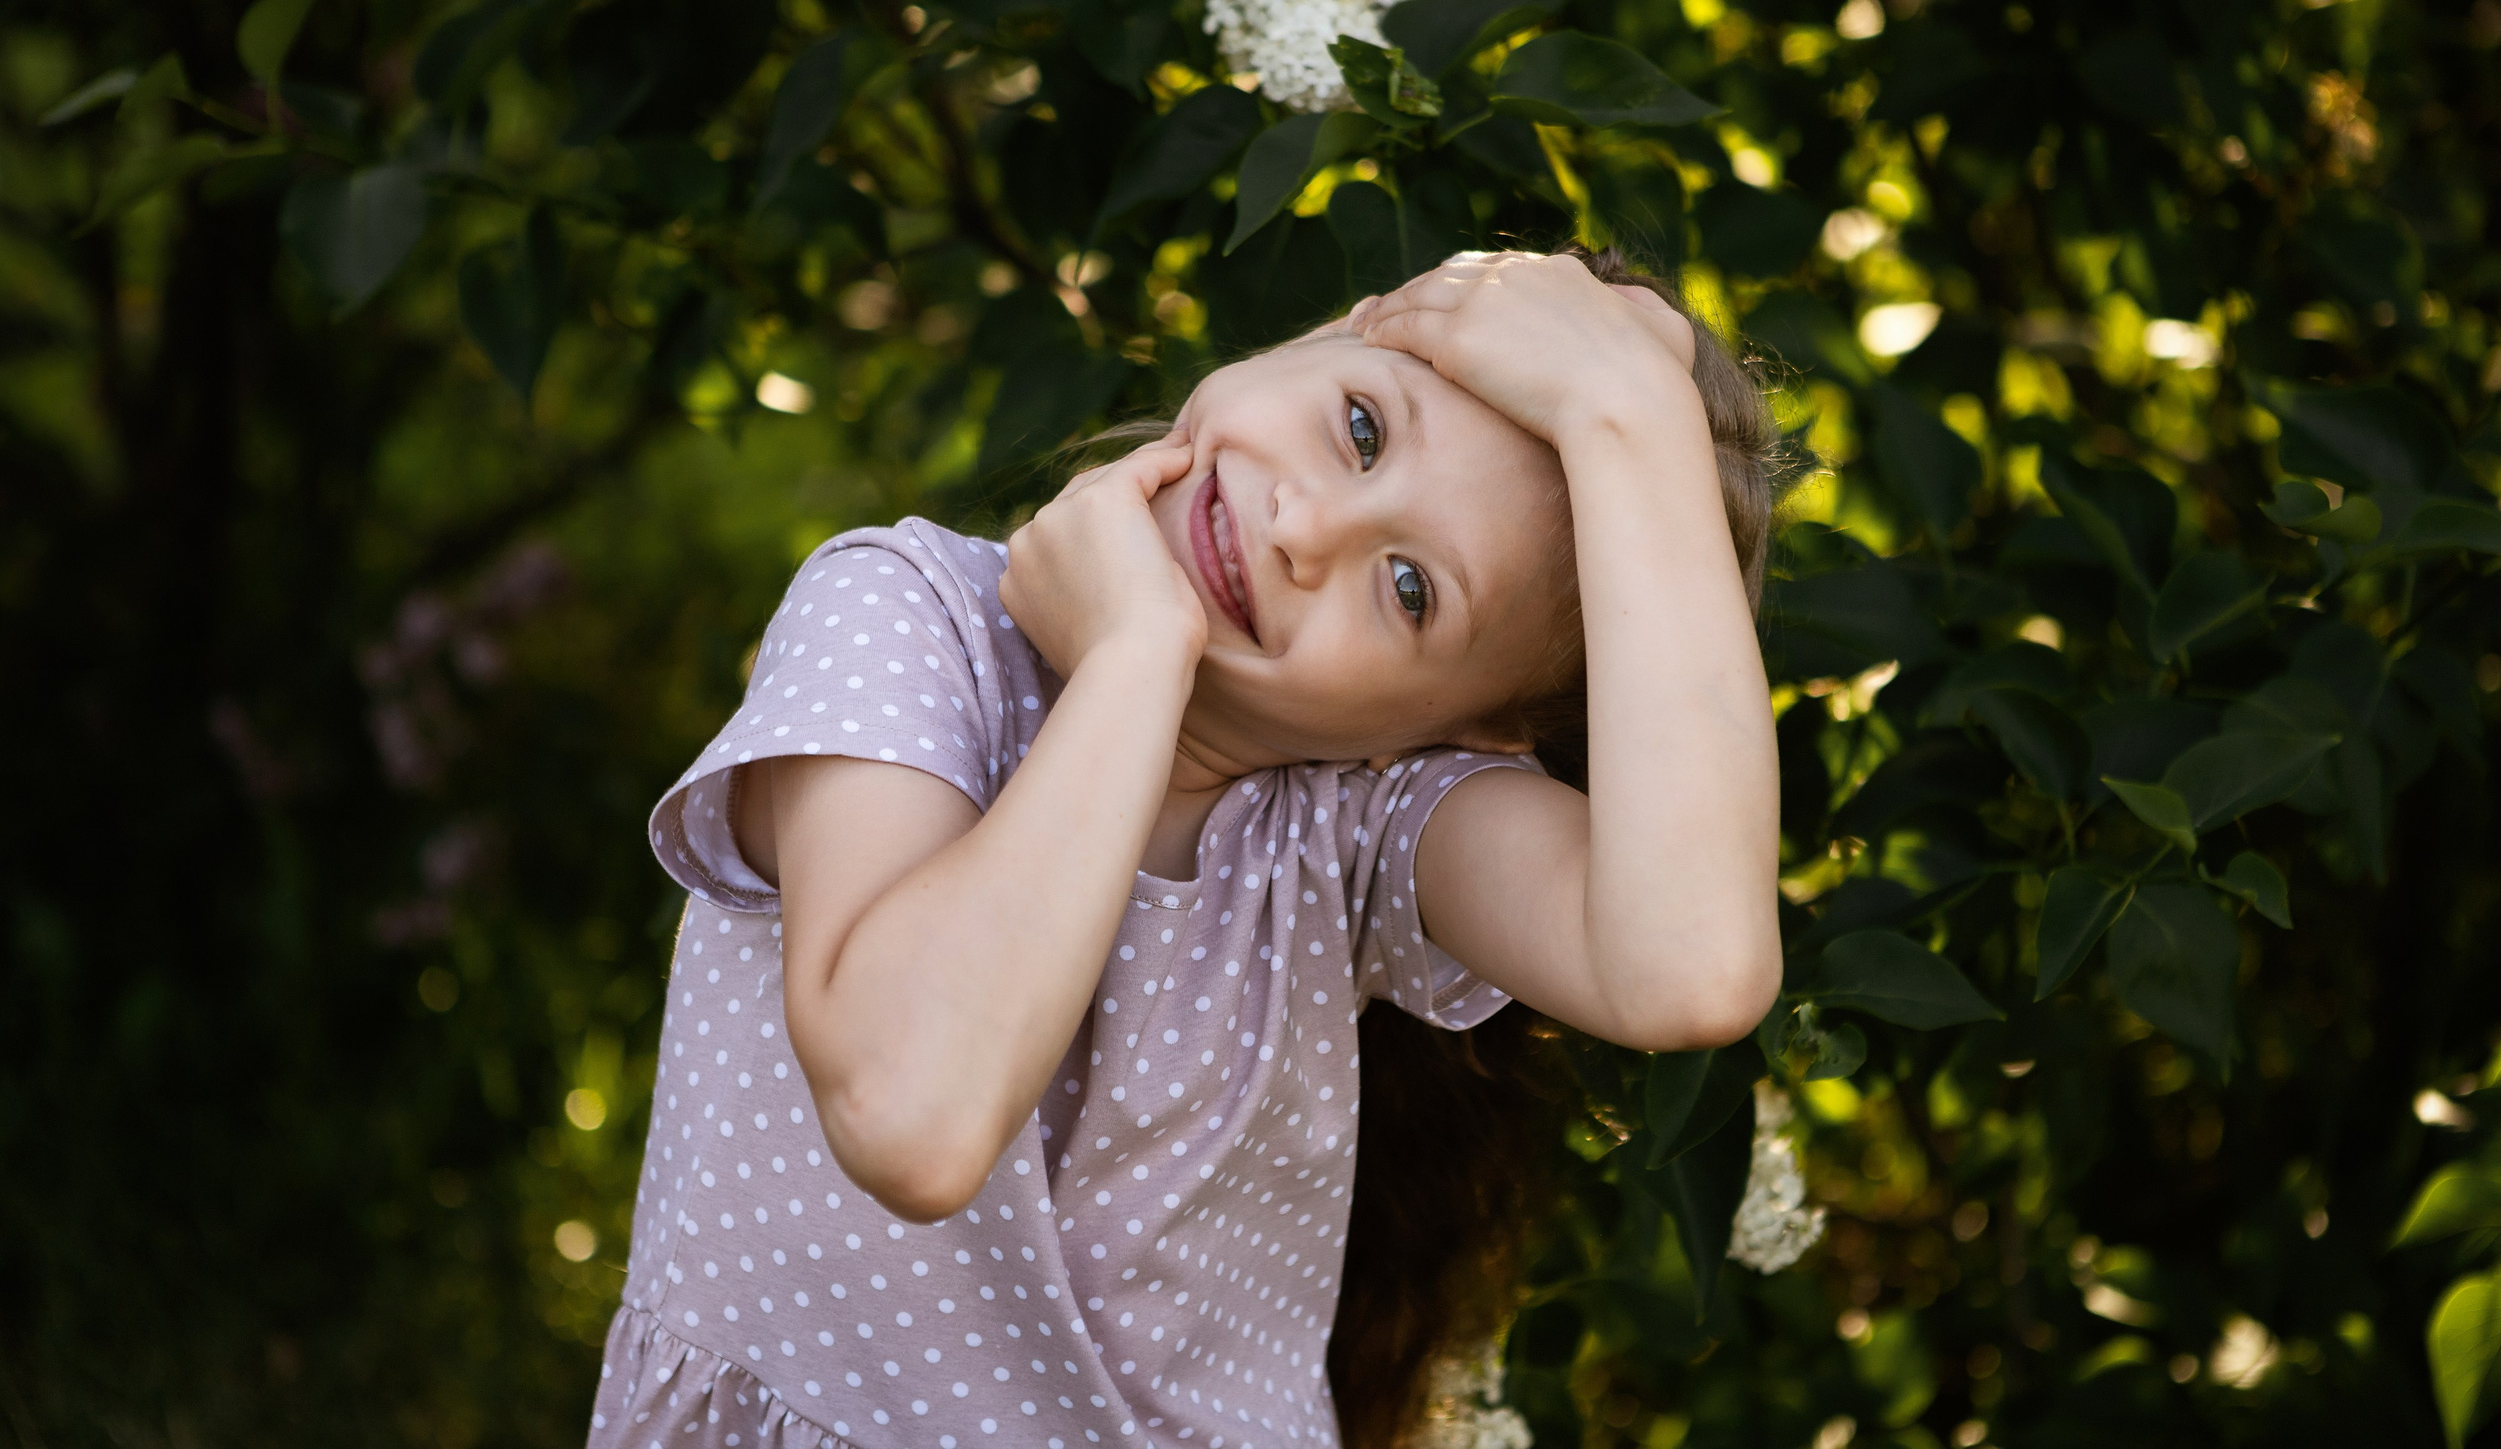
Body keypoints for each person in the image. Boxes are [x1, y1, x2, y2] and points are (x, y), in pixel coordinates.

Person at [587, 246, 1786, 1449]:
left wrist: (1630, 418)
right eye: (1362, 428)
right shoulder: (907, 621)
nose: (1304, 530)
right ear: (1331, 326)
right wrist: (1131, 658)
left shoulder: (1354, 831)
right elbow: (912, 1112)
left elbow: (1690, 965)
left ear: (1460, 731)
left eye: (1411, 590)